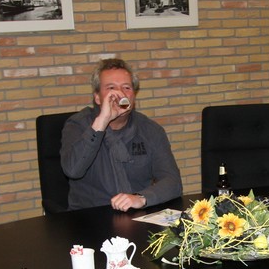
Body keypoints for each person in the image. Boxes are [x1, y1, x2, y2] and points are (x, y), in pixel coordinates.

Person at [61, 57, 182, 211]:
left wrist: (141, 198)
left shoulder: (150, 130)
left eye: (126, 88)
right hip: (89, 216)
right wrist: (102, 121)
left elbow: (172, 182)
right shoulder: (78, 125)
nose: (119, 94)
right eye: (111, 88)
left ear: (133, 96)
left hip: (136, 214)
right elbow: (73, 170)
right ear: (97, 97)